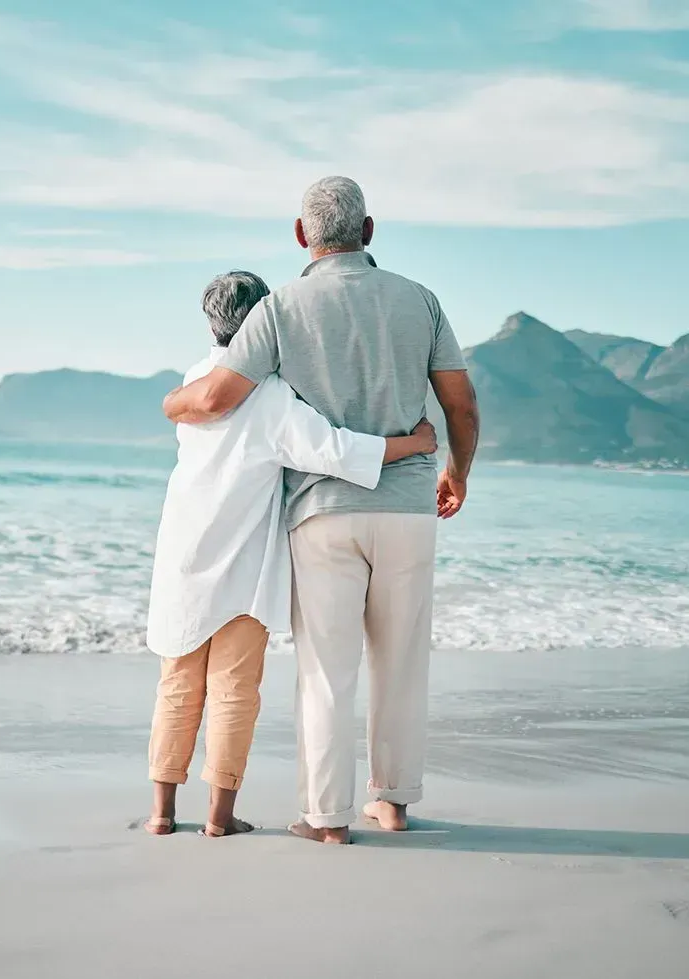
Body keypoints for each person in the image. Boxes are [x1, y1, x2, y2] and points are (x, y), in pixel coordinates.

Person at [163, 177, 480, 844]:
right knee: (401, 663)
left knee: (326, 671)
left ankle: (326, 818)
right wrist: (455, 471)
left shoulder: (279, 308)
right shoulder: (420, 300)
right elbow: (461, 404)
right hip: (409, 507)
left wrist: (172, 403)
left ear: (302, 236)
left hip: (323, 513)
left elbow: (218, 398)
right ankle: (391, 803)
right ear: (368, 231)